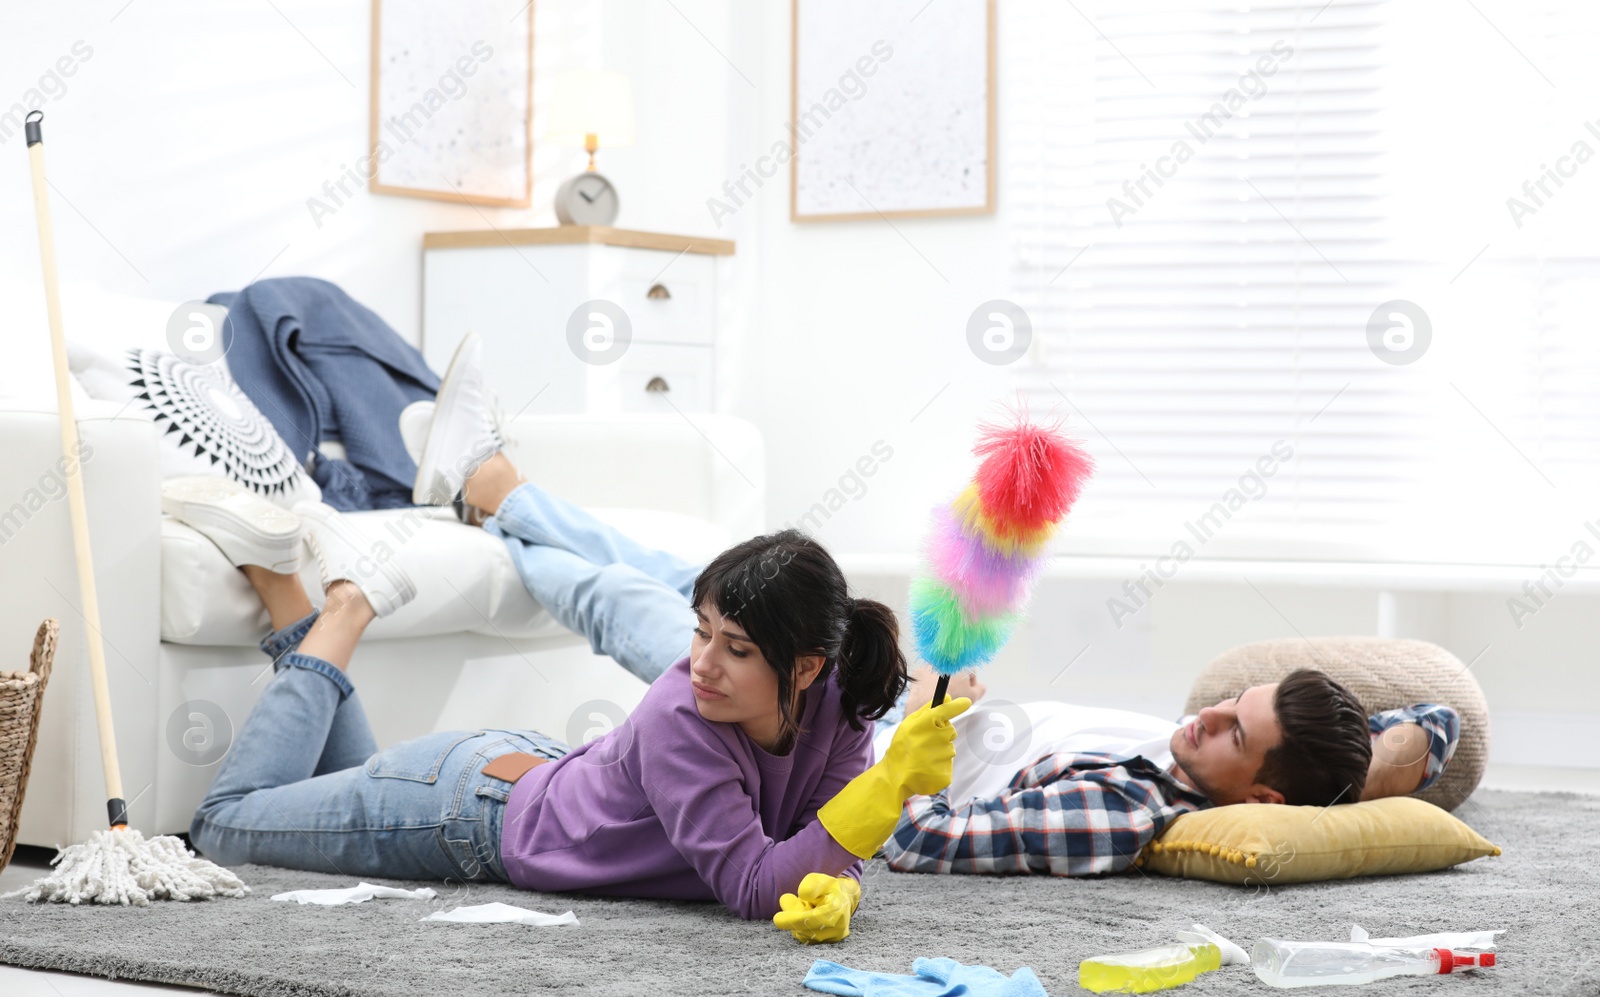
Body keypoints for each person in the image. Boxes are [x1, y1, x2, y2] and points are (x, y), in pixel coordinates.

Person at [172, 335, 973, 944]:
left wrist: (845, 882)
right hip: (460, 815)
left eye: (736, 649)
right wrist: (885, 793)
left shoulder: (843, 703)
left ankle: (280, 588)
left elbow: (822, 843)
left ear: (806, 667)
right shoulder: (680, 716)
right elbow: (758, 884)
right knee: (227, 825)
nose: (700, 663)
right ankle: (347, 605)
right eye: (701, 633)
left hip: (523, 775)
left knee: (334, 787)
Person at [876, 665, 1459, 877]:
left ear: (1262, 800)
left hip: (861, 762)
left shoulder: (1126, 808)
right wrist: (1356, 786)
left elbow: (916, 841)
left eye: (1235, 730)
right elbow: (1438, 721)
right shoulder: (1200, 760)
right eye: (1235, 699)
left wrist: (920, 715)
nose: (1208, 712)